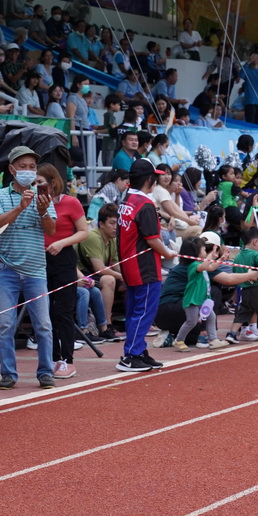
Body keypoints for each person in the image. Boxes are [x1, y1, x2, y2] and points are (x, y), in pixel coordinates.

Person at [0, 146, 57, 390]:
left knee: (44, 325)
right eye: (23, 167)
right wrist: (20, 207)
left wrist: (43, 210)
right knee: (5, 325)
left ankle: (46, 372)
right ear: (11, 169)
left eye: (32, 167)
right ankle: (8, 373)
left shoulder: (43, 196)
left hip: (36, 270)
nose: (28, 171)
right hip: (6, 270)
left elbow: (51, 230)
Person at [116, 159, 176, 372]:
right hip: (144, 267)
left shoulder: (126, 199)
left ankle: (138, 350)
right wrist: (169, 253)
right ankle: (131, 354)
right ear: (149, 180)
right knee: (143, 312)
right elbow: (152, 239)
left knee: (135, 310)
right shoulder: (145, 204)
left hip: (129, 264)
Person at [39, 163, 89, 379]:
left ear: (53, 182)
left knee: (63, 310)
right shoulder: (33, 203)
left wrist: (62, 242)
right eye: (34, 183)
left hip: (63, 258)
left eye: (40, 182)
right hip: (39, 259)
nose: (37, 186)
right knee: (45, 311)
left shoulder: (70, 202)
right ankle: (51, 357)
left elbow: (84, 231)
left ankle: (67, 359)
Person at [79, 202, 126, 343]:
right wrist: (122, 276)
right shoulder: (93, 237)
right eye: (112, 223)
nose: (116, 227)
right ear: (101, 224)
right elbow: (99, 268)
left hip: (93, 274)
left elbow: (117, 265)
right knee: (108, 280)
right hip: (79, 274)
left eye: (117, 223)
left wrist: (127, 277)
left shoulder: (113, 239)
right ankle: (106, 325)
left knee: (131, 281)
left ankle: (132, 322)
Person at [172, 237, 227, 351]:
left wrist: (221, 259)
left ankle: (213, 339)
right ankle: (178, 340)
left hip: (202, 299)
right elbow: (205, 266)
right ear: (195, 252)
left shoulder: (201, 263)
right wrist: (211, 255)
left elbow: (210, 267)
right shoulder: (193, 265)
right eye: (203, 250)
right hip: (192, 299)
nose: (205, 252)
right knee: (191, 322)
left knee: (211, 316)